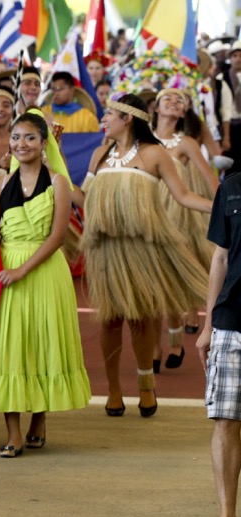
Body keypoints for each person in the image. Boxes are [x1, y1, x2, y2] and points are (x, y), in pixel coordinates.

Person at [76, 93, 212, 416]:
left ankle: (145, 384)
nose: (103, 119)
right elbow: (83, 199)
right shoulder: (100, 154)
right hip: (106, 252)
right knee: (109, 321)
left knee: (140, 320)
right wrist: (50, 164)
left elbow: (183, 195)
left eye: (109, 113)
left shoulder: (155, 155)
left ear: (128, 119)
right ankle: (113, 390)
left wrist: (223, 208)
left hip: (141, 250)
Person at [0, 113, 90, 456]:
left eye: (29, 138)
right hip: (7, 269)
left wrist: (22, 270)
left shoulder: (58, 182)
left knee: (43, 343)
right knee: (10, 349)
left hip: (44, 272)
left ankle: (39, 419)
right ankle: (12, 433)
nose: (21, 144)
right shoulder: (1, 183)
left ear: (45, 144)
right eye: (16, 137)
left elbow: (58, 237)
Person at [152, 87, 220, 368]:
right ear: (155, 108)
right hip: (147, 216)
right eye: (167, 97)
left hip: (176, 218)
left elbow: (211, 179)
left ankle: (176, 341)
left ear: (183, 112)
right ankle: (154, 349)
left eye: (179, 100)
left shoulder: (187, 143)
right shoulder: (142, 140)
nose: (173, 101)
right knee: (152, 286)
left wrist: (224, 208)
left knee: (169, 281)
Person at [197, 169, 241, 517]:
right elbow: (220, 258)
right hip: (232, 320)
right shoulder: (231, 187)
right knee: (226, 419)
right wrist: (208, 325)